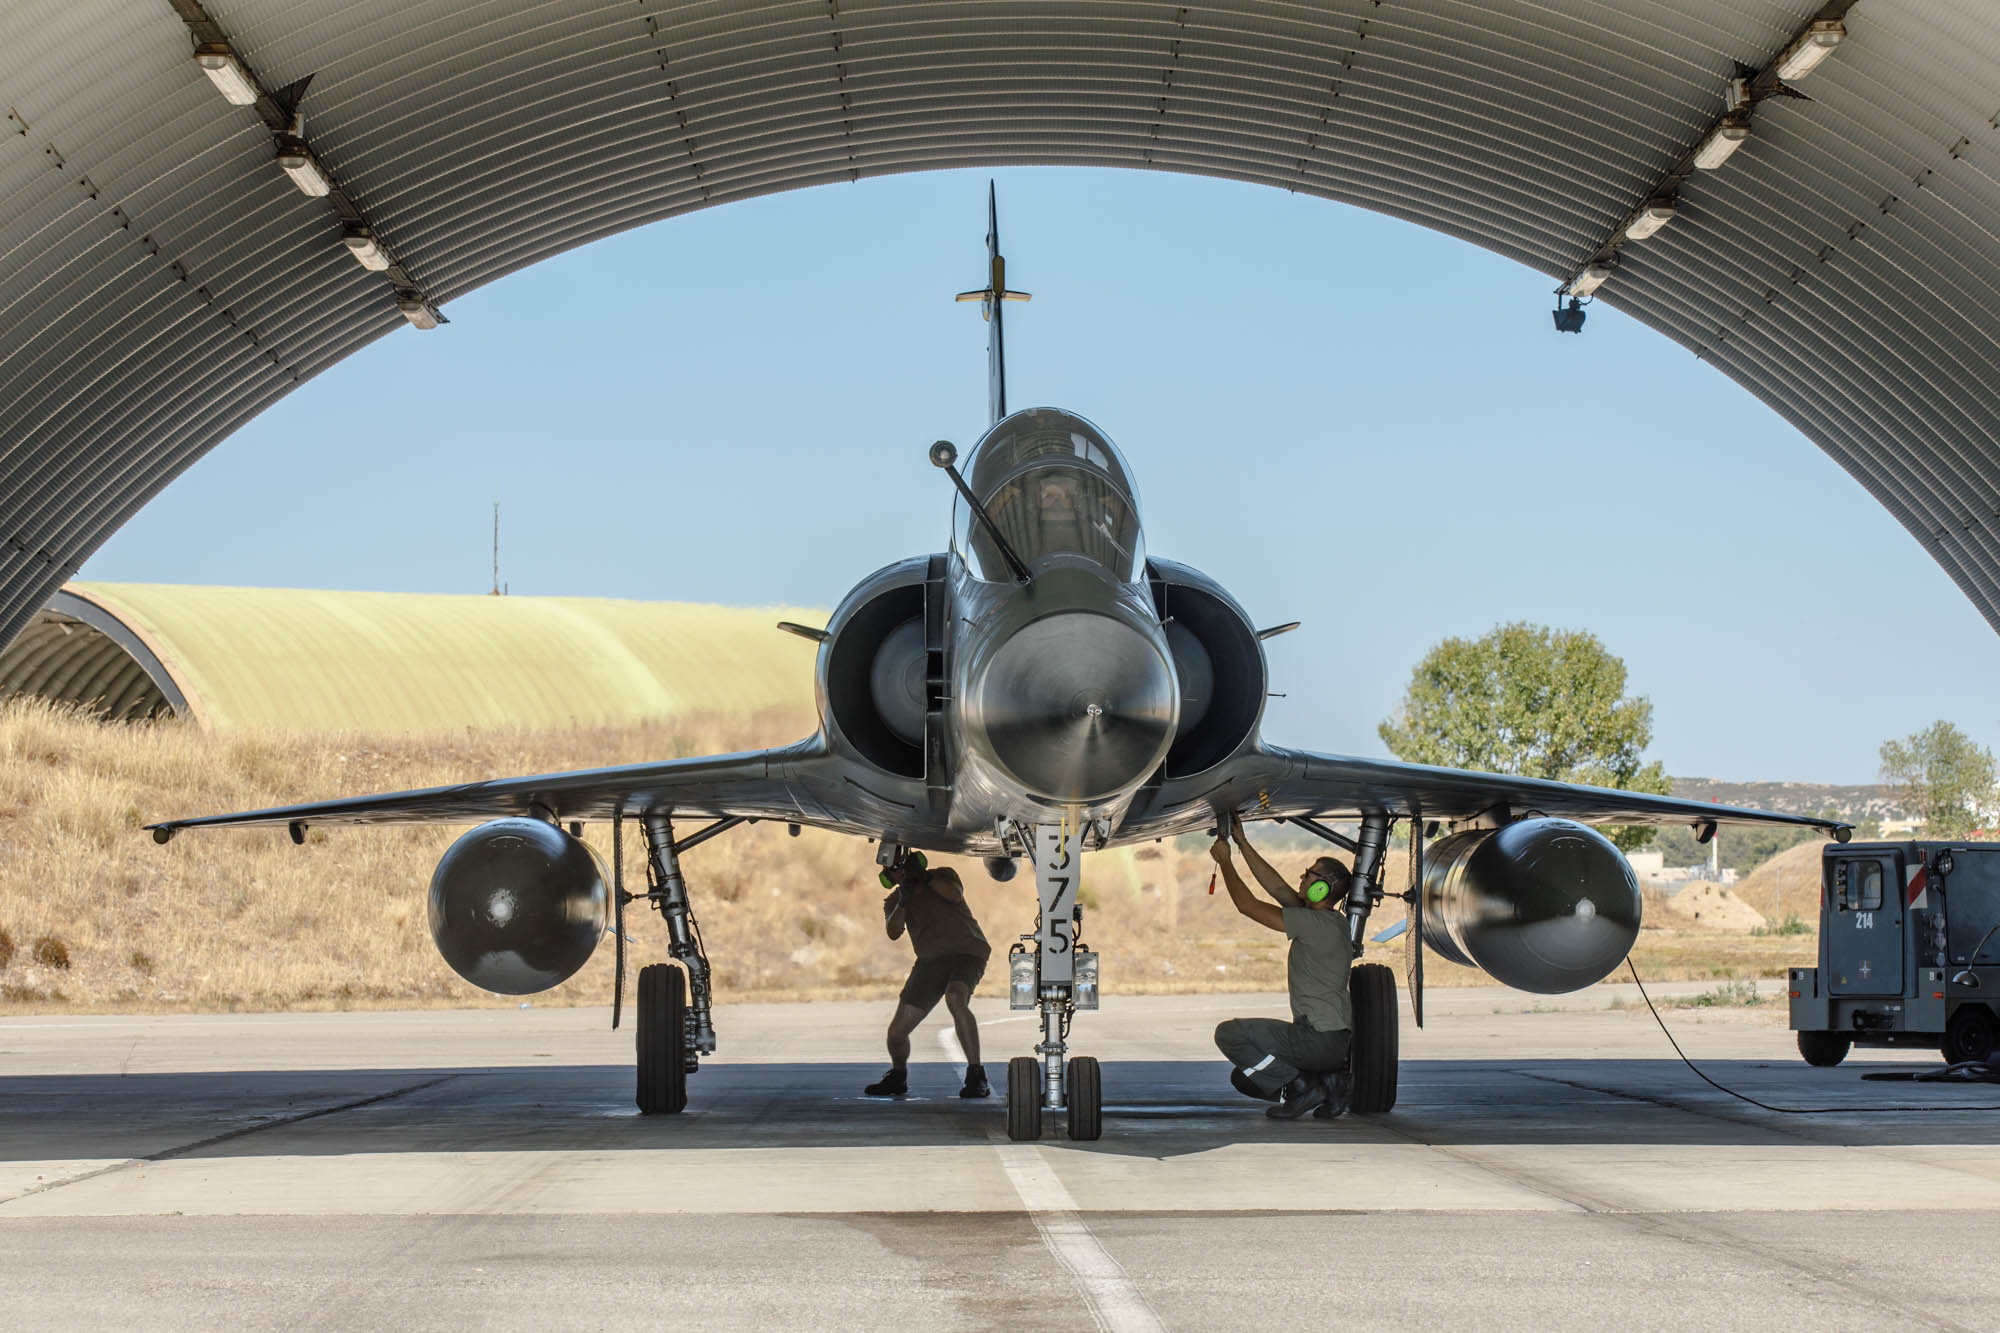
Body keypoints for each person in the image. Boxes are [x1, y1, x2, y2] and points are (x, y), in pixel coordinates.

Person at [1208, 814, 1355, 1119]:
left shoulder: (1311, 923)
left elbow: (1248, 906)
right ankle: (1330, 1083)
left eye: (1309, 875)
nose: (1302, 879)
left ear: (1323, 890)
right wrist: (1242, 843)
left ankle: (1300, 1088)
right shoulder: (1332, 922)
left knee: (1229, 1035)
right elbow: (1276, 887)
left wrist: (1225, 863)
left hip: (1315, 1040)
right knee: (1244, 1077)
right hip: (1336, 1043)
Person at [865, 854, 992, 1098]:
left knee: (956, 998)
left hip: (967, 952)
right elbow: (893, 932)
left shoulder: (943, 875)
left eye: (901, 867)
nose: (898, 872)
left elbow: (955, 894)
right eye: (892, 870)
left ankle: (976, 1073)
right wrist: (904, 899)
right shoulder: (894, 901)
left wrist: (925, 878)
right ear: (888, 877)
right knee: (896, 1033)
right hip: (930, 963)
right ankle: (898, 1075)